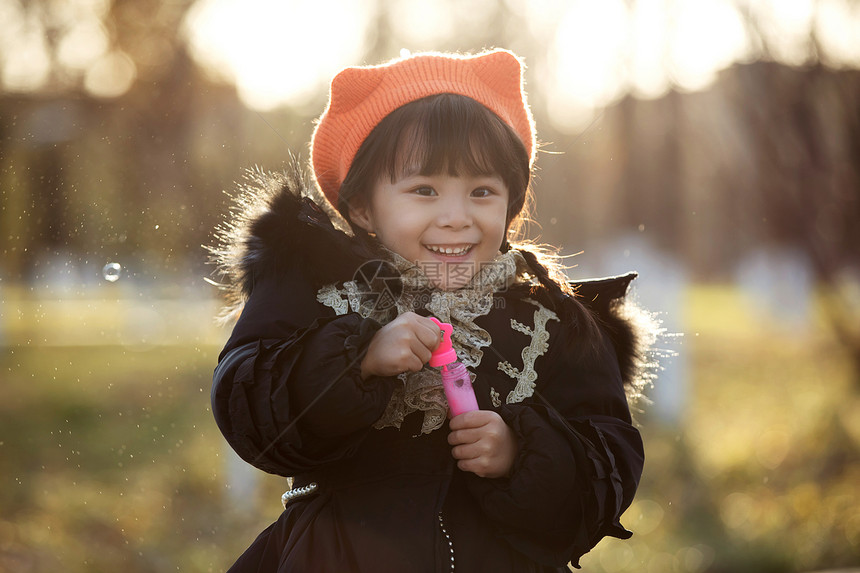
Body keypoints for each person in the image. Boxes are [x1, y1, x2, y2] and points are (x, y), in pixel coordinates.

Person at [209, 48, 654, 573]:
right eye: (424, 190)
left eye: (482, 191)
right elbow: (250, 410)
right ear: (362, 207)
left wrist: (522, 453)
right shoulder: (316, 294)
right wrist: (357, 359)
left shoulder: (553, 324)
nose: (455, 217)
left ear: (510, 204)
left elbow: (608, 467)